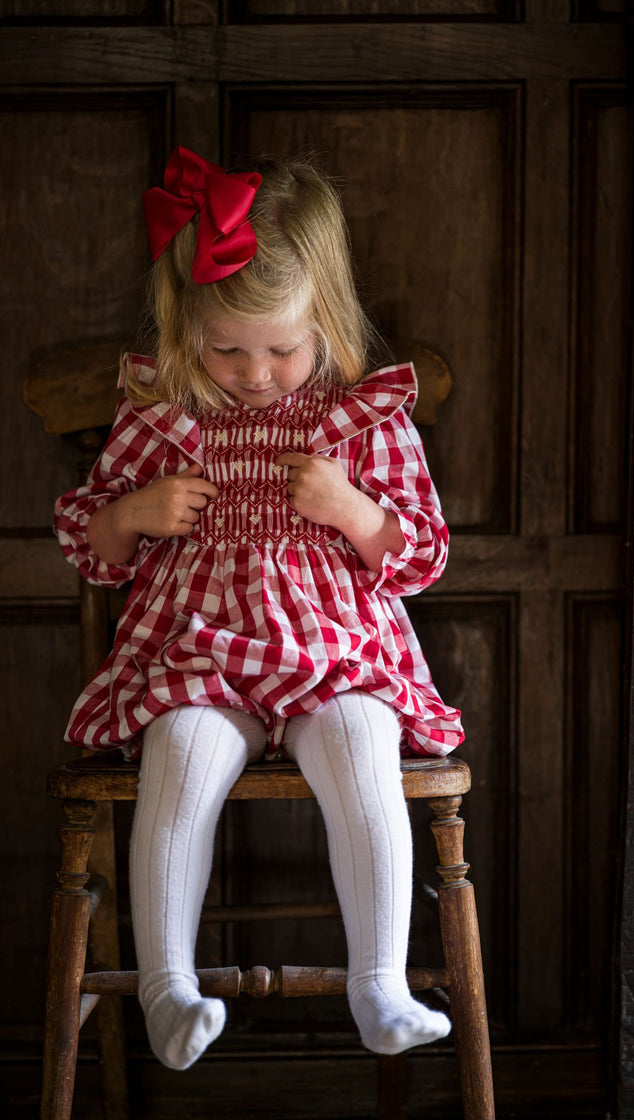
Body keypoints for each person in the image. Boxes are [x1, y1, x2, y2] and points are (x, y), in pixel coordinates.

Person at [54, 146, 463, 1073]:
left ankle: (379, 985)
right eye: (225, 349)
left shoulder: (359, 416)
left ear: (325, 317)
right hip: (198, 651)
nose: (255, 373)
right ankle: (168, 991)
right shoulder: (161, 413)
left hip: (336, 655)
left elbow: (424, 554)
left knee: (364, 747)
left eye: (281, 347)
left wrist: (355, 511)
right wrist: (133, 515)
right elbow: (94, 548)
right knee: (181, 755)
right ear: (182, 327)